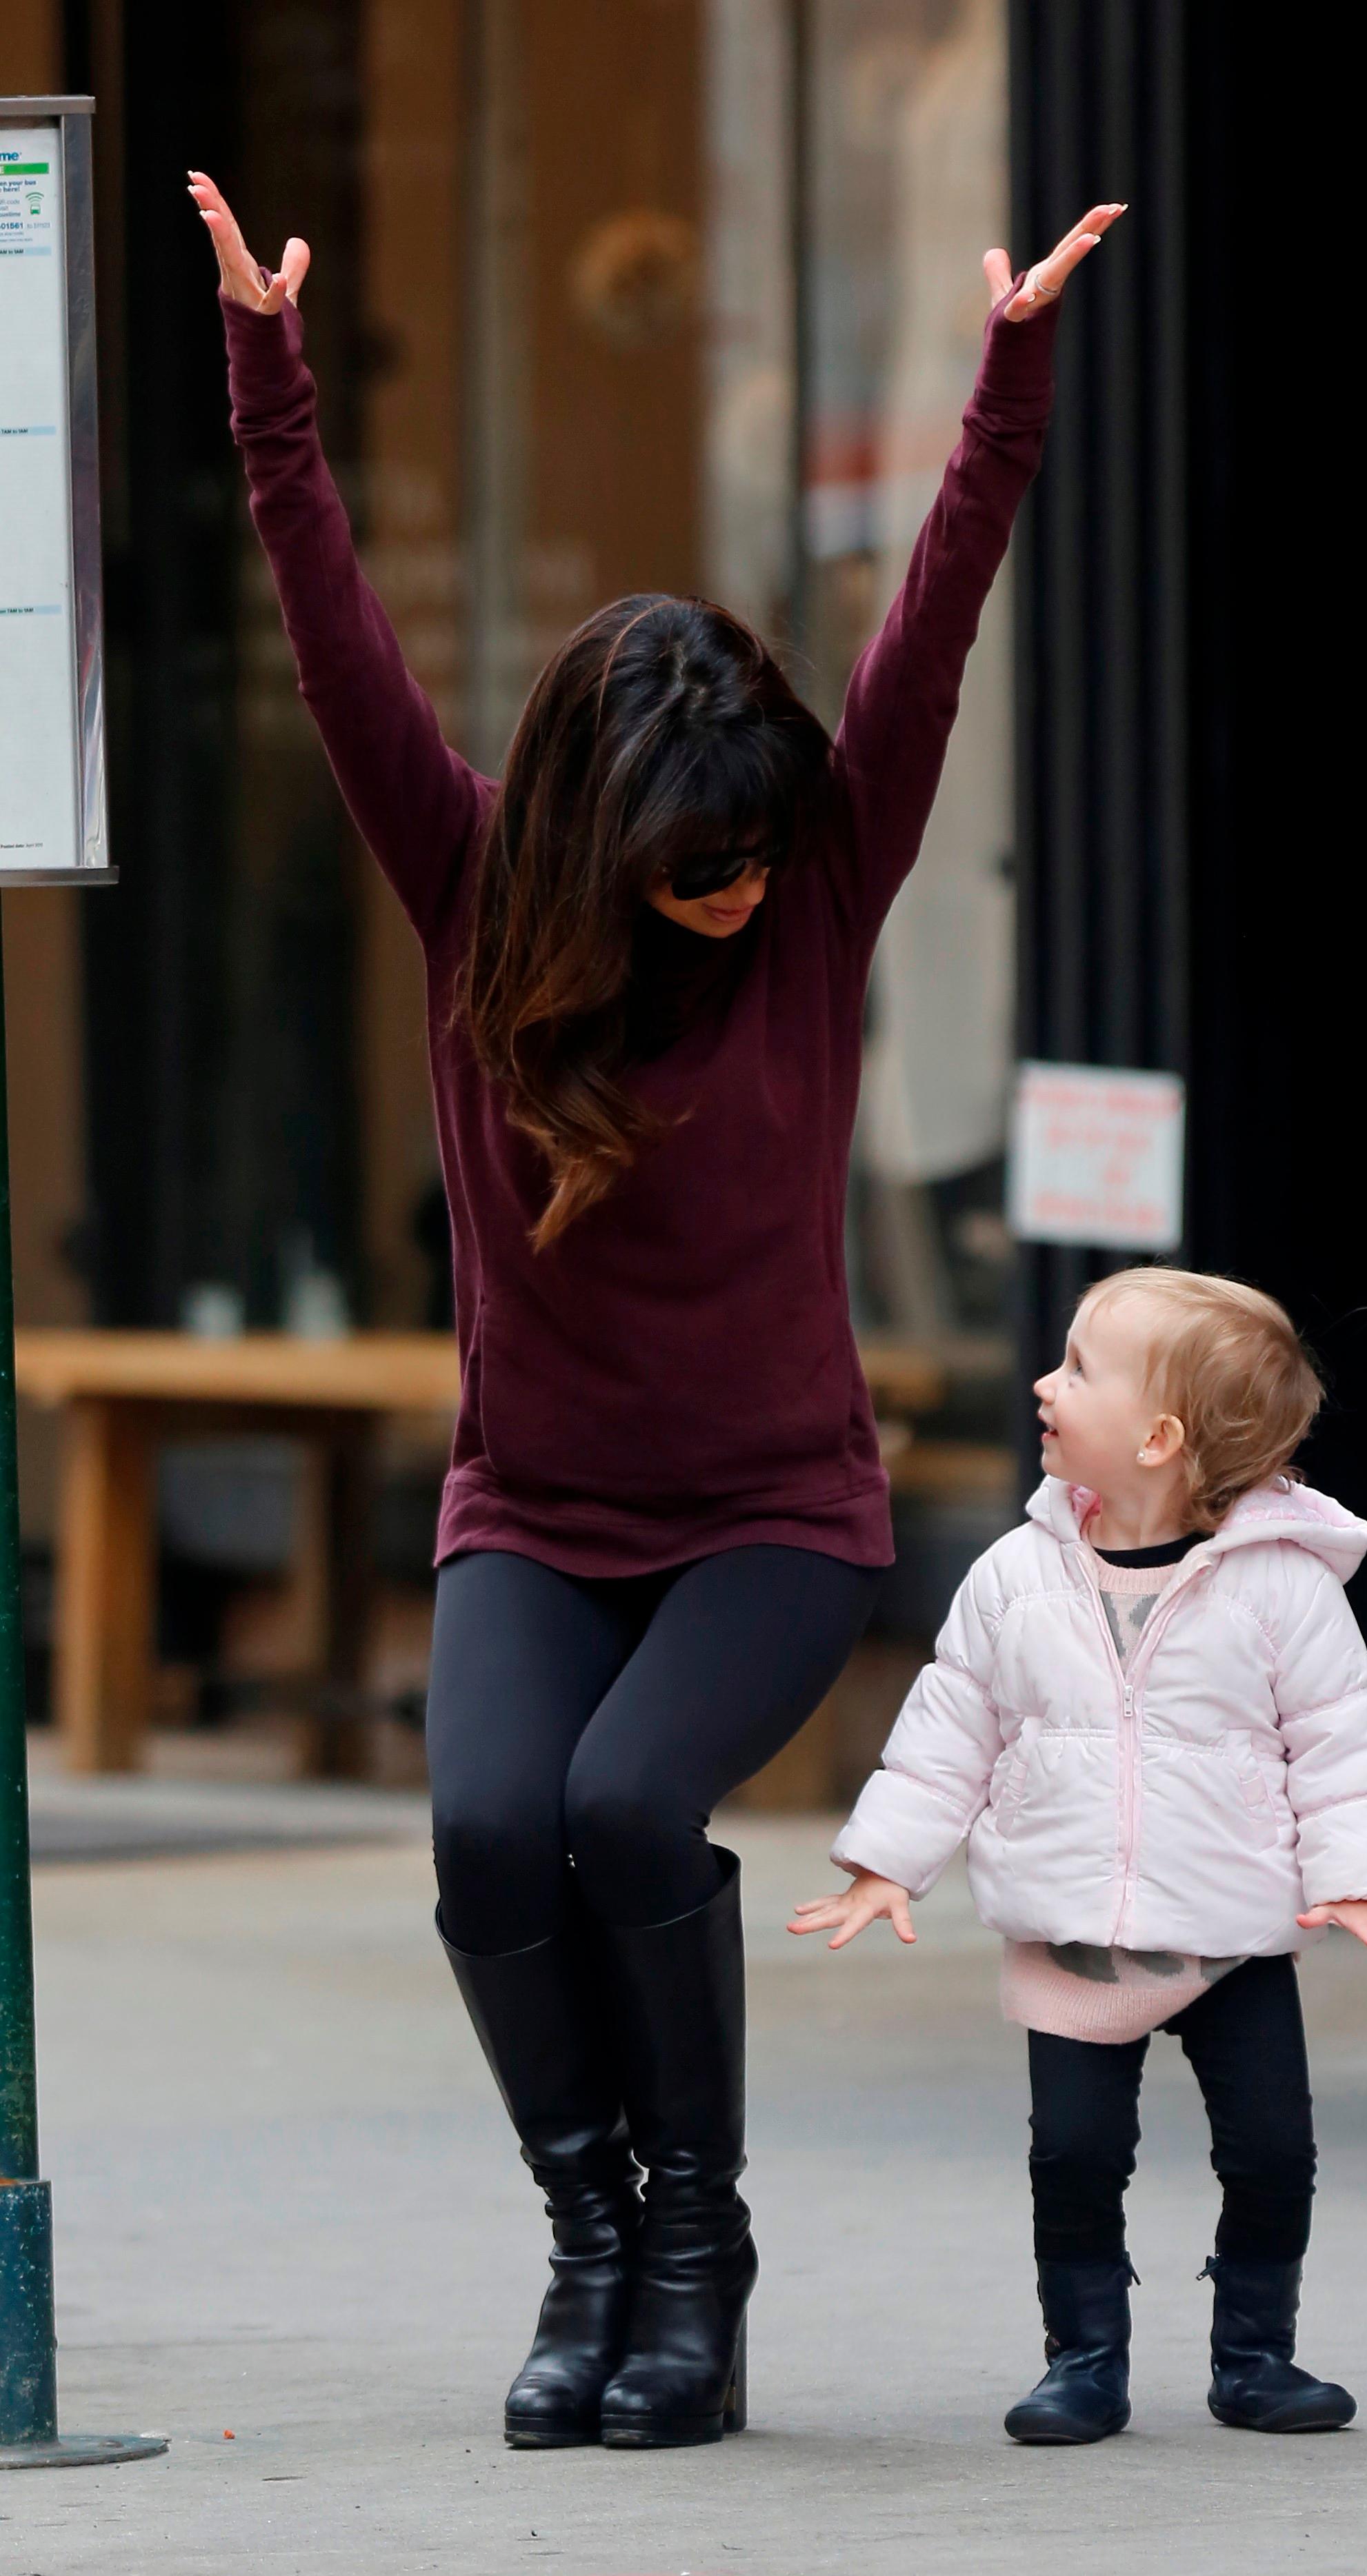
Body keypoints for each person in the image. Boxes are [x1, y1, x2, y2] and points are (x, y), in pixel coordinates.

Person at [190, 164, 1122, 2452]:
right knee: (491, 1825)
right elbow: (334, 646)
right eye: (688, 867)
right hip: (534, 1501)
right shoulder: (471, 876)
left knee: (624, 1803)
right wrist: (268, 385)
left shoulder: (809, 891)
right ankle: (588, 2237)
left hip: (767, 1515)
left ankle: (693, 2254)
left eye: (751, 860)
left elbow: (928, 627)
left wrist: (998, 379)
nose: (728, 897)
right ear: (598, 841)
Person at [792, 1268, 1367, 2444]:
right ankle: (1081, 2361)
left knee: (1272, 2152)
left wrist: (1354, 1877)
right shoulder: (1013, 1578)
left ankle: (1256, 2356)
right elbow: (949, 1733)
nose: (1045, 1383)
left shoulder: (1282, 1591)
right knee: (1076, 2158)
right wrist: (886, 1863)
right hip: (1074, 1935)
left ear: (1158, 1437)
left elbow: (1340, 1738)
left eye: (1079, 1368)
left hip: (1230, 1933)